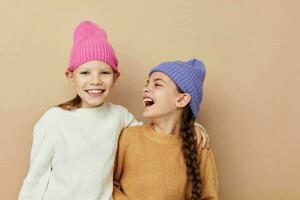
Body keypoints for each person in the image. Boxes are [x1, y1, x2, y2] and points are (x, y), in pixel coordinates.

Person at [18, 21, 209, 200]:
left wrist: (192, 125)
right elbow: (36, 179)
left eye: (105, 72)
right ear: (71, 77)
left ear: (116, 76)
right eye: (85, 72)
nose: (96, 81)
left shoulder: (119, 116)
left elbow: (158, 131)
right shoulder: (54, 119)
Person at [113, 59, 218, 200]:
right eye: (147, 83)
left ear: (181, 100)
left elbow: (209, 197)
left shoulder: (200, 148)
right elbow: (109, 185)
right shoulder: (129, 137)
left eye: (157, 84)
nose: (146, 88)